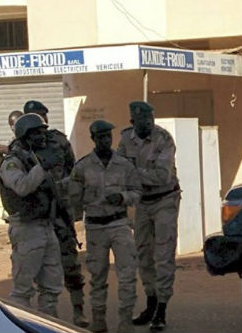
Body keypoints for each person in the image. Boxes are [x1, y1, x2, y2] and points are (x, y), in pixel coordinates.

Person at [69, 120, 141, 333]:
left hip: (119, 223)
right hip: (95, 227)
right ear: (93, 139)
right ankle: (98, 320)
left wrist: (122, 197)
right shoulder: (82, 167)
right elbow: (74, 198)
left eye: (108, 136)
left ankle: (126, 321)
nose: (105, 141)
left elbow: (137, 192)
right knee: (97, 276)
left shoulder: (124, 164)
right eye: (100, 137)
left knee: (127, 275)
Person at [22, 100, 88, 327]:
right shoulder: (20, 148)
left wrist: (72, 204)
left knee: (69, 261)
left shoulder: (58, 141)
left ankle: (79, 310)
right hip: (36, 215)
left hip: (59, 212)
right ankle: (38, 318)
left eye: (42, 116)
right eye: (34, 116)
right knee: (34, 268)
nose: (40, 121)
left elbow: (74, 171)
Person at [117, 101, 181, 331]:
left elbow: (162, 176)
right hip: (142, 203)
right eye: (143, 122)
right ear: (133, 122)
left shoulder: (163, 139)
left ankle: (162, 308)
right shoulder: (125, 140)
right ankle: (151, 301)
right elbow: (117, 169)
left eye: (151, 120)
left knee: (164, 254)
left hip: (165, 199)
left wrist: (132, 174)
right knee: (143, 253)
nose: (149, 125)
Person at [0, 113, 63, 316]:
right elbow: (22, 187)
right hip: (26, 229)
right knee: (22, 291)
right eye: (37, 133)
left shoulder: (34, 157)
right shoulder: (12, 162)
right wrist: (42, 167)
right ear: (25, 135)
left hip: (45, 226)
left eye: (43, 132)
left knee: (51, 288)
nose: (43, 137)